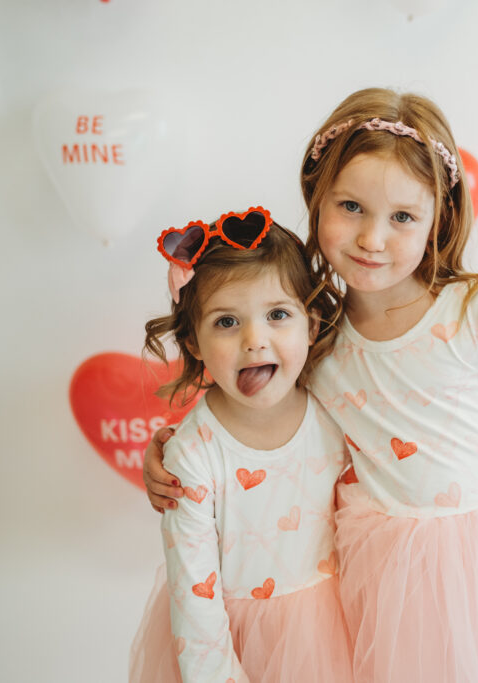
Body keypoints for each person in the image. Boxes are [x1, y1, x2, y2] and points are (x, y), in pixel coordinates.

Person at [145, 89, 478, 683]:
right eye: (351, 206)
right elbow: (257, 415)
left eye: (403, 218)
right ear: (316, 198)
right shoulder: (319, 339)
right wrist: (170, 451)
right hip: (389, 574)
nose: (373, 238)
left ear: (437, 220)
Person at [130, 207, 354, 683]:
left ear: (311, 326)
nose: (255, 340)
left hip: (339, 632)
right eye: (227, 322)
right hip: (231, 647)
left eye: (277, 315)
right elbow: (195, 602)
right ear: (193, 343)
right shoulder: (192, 456)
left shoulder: (339, 409)